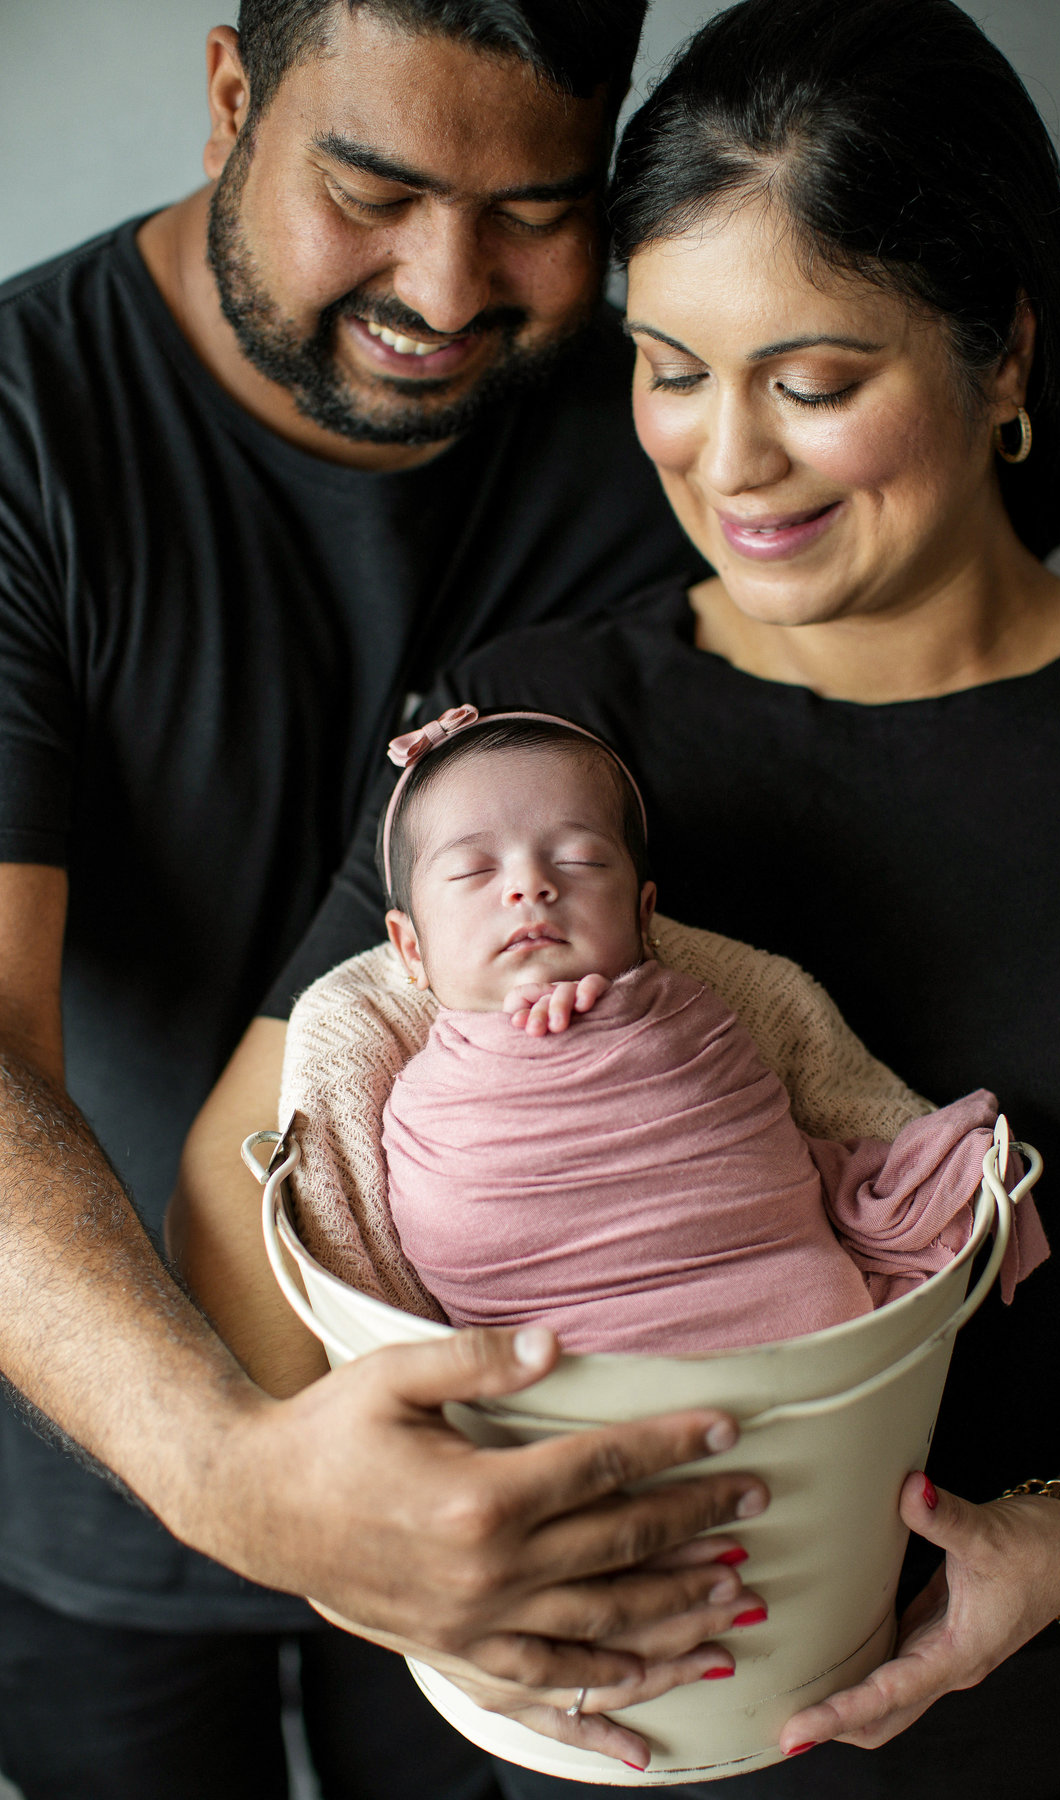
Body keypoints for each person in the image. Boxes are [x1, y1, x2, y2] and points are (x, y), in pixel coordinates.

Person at [178, 1, 1060, 1793]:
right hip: (604, 1735)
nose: (727, 462)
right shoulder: (532, 743)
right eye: (669, 368)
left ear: (1006, 353)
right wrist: (380, 1559)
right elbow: (247, 1182)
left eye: (812, 384)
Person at [0, 4, 779, 1797]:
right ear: (229, 99)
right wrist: (227, 1471)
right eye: (372, 192)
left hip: (537, 1482)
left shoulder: (664, 422)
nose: (446, 287)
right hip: (105, 1467)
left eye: (534, 212)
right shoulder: (27, 431)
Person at [372, 705, 1043, 1353]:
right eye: (473, 869)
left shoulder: (690, 1012)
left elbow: (752, 1150)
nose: (530, 884)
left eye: (578, 860)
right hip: (556, 1368)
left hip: (800, 1339)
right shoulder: (414, 1089)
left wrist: (618, 1018)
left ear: (643, 917)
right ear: (411, 950)